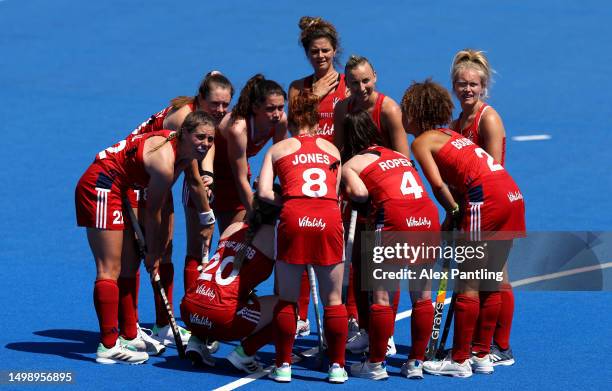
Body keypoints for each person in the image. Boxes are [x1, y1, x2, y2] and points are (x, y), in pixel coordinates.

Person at [400, 79, 525, 378]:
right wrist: (454, 217)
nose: (402, 116)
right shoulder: (450, 135)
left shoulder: (422, 142)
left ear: (416, 113)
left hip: (486, 201)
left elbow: (439, 186)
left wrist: (454, 212)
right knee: (490, 278)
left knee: (468, 281)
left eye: (406, 111)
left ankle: (458, 360)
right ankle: (481, 354)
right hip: (512, 195)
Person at [75, 111, 216, 364]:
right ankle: (108, 345)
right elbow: (154, 212)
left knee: (129, 264)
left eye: (210, 139)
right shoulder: (164, 161)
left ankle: (129, 335)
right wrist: (154, 254)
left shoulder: (188, 153)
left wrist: (207, 218)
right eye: (200, 137)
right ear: (184, 133)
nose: (205, 144)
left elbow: (195, 184)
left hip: (124, 186)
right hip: (102, 184)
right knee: (110, 268)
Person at [122, 72, 233, 350]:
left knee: (165, 248)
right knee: (140, 252)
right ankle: (129, 328)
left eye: (225, 105)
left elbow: (200, 166)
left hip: (160, 179)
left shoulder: (204, 122)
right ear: (201, 99)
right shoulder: (185, 119)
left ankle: (162, 326)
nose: (221, 110)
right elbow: (193, 179)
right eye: (215, 104)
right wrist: (207, 216)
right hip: (135, 178)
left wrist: (207, 177)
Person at [341, 111, 440, 380]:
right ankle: (416, 362)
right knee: (422, 295)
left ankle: (375, 363)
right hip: (427, 217)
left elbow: (360, 193)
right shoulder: (398, 155)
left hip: (395, 219)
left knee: (383, 296)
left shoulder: (352, 163)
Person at [258, 92, 348, 383]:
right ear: (317, 122)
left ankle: (283, 365)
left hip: (294, 215)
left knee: (287, 298)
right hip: (328, 217)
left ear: (292, 120)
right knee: (333, 299)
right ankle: (337, 367)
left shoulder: (279, 149)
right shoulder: (333, 151)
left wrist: (286, 200)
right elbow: (336, 190)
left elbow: (262, 193)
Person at [334, 55, 410, 355]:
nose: (361, 87)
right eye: (354, 82)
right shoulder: (343, 108)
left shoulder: (388, 109)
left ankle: (386, 333)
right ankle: (367, 329)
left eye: (366, 80)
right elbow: (340, 153)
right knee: (357, 264)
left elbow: (404, 160)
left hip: (386, 198)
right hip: (355, 192)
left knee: (383, 270)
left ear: (375, 76)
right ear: (347, 84)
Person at [288, 16, 353, 337]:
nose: (321, 56)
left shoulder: (349, 85)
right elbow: (294, 128)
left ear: (335, 50)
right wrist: (313, 96)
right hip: (305, 176)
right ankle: (300, 316)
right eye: (314, 51)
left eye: (326, 50)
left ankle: (348, 315)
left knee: (342, 250)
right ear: (307, 53)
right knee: (301, 244)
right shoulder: (299, 88)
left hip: (338, 179)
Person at [450, 49, 514, 366]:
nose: (468, 90)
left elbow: (493, 171)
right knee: (494, 275)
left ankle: (495, 346)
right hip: (474, 206)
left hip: (491, 204)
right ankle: (489, 346)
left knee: (489, 276)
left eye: (473, 84)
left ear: (483, 85)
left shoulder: (488, 118)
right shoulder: (457, 122)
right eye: (462, 84)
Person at [180, 197, 281, 373]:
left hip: (189, 310)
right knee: (286, 307)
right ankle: (245, 353)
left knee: (216, 293)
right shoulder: (274, 237)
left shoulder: (232, 227)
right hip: (222, 317)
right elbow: (285, 288)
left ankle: (196, 341)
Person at [214, 74, 288, 233]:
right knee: (207, 240)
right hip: (212, 174)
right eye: (270, 109)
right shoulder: (239, 128)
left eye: (281, 108)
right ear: (255, 108)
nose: (276, 114)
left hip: (238, 167)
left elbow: (281, 159)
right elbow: (240, 178)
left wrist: (266, 180)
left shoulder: (281, 121)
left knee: (238, 234)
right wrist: (255, 214)